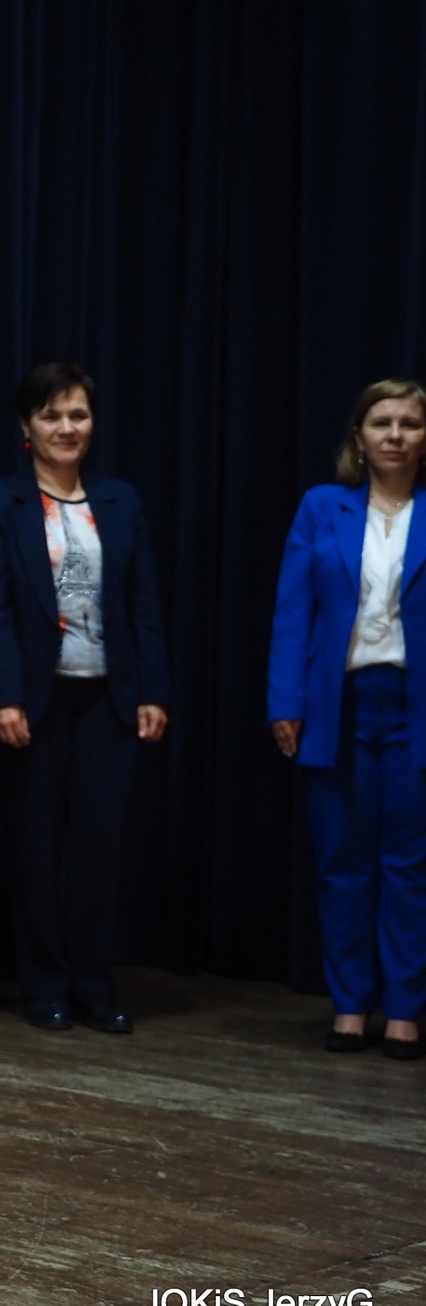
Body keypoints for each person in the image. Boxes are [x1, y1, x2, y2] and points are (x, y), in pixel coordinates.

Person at [0, 362, 169, 1032]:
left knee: (100, 847)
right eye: (51, 415)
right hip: (35, 700)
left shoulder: (120, 500)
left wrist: (152, 690)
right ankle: (44, 983)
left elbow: (143, 605)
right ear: (27, 425)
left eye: (77, 414)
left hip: (109, 698)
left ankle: (95, 984)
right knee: (35, 848)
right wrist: (2, 697)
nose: (66, 427)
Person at [268, 378, 426, 1061]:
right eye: (382, 422)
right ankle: (351, 1005)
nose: (395, 435)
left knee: (408, 868)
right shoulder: (322, 507)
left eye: (410, 423)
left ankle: (406, 1011)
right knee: (342, 865)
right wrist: (286, 702)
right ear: (358, 436)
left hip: (413, 706)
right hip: (339, 705)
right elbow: (292, 610)